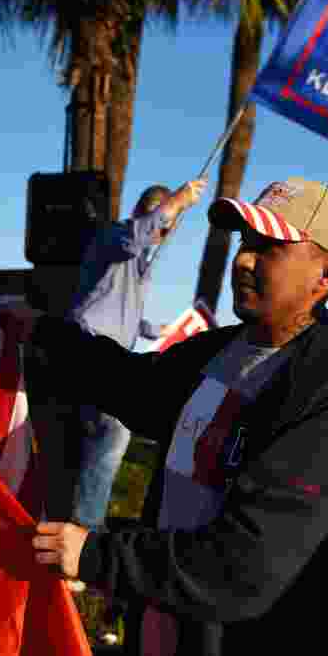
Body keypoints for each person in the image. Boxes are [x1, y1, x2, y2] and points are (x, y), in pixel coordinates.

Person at [9, 177, 328, 655]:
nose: (244, 259)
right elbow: (129, 385)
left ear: (326, 275)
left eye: (269, 247)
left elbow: (245, 565)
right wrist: (41, 337)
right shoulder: (217, 351)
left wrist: (96, 553)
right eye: (246, 241)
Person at [67, 179, 207, 537]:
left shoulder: (138, 262)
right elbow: (135, 237)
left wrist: (148, 329)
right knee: (114, 432)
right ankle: (85, 531)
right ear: (139, 213)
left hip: (107, 354)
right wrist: (177, 201)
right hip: (86, 348)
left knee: (88, 441)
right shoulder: (115, 237)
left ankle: (70, 522)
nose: (164, 232)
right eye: (160, 221)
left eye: (169, 227)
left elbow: (110, 300)